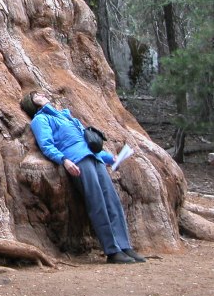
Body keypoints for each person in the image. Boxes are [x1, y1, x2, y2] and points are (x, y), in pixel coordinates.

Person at [20, 90, 146, 265]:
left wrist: (110, 158)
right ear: (33, 103)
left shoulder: (66, 117)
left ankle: (125, 246)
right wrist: (64, 160)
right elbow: (46, 145)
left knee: (112, 200)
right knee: (97, 202)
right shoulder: (41, 120)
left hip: (94, 158)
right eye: (37, 96)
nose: (42, 95)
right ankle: (112, 250)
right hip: (78, 161)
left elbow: (86, 143)